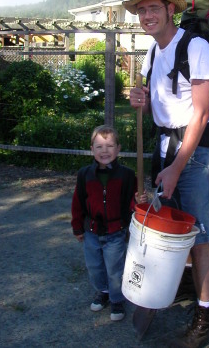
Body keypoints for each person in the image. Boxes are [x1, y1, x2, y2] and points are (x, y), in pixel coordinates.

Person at [123, 0, 209, 347]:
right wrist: (141, 101)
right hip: (165, 150)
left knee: (199, 240)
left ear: (170, 9)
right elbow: (159, 107)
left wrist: (177, 167)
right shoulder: (153, 52)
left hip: (197, 158)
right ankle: (180, 286)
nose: (147, 15)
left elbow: (200, 114)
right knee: (169, 230)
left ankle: (205, 316)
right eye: (142, 10)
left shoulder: (196, 48)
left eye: (154, 8)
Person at [71, 125, 147, 321]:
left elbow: (133, 200)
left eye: (110, 146)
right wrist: (77, 227)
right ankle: (102, 291)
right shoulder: (84, 175)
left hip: (116, 231)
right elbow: (78, 202)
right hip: (91, 231)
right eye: (99, 146)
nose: (104, 151)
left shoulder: (127, 175)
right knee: (95, 266)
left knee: (114, 268)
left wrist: (138, 200)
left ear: (118, 148)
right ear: (91, 149)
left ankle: (116, 299)